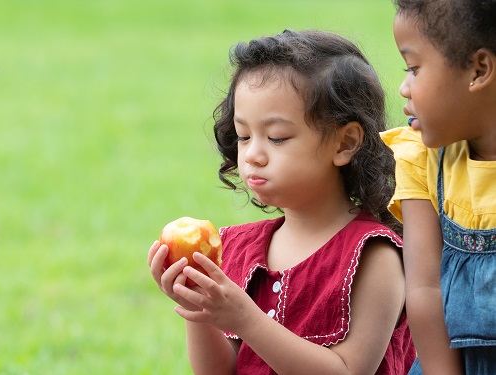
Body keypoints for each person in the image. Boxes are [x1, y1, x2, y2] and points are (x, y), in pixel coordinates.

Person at [148, 29, 415, 375]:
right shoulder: (236, 248)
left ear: (344, 143)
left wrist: (246, 319)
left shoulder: (374, 255)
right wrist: (199, 308)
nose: (253, 155)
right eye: (244, 136)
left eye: (276, 138)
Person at [381, 1, 496, 374]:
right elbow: (424, 290)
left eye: (414, 68)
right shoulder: (422, 158)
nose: (403, 87)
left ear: (479, 70)